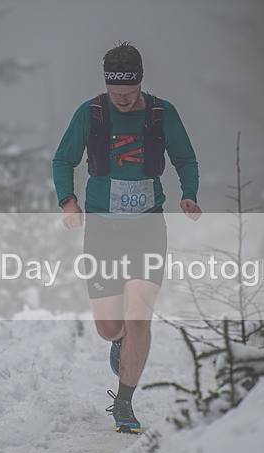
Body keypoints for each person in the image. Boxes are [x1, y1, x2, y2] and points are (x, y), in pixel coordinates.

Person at [52, 41, 202, 433]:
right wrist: (68, 202)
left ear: (140, 84)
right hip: (103, 229)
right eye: (116, 93)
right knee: (109, 326)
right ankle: (117, 340)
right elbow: (62, 159)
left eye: (129, 93)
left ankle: (124, 403)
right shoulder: (91, 113)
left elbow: (185, 157)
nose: (122, 100)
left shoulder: (161, 113)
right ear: (107, 85)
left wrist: (189, 194)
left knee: (139, 319)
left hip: (148, 227)